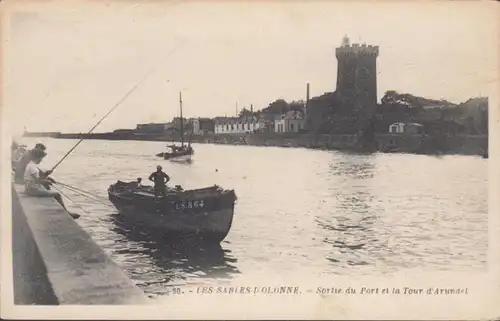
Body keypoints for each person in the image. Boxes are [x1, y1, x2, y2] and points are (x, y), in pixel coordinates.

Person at [24, 148, 80, 219]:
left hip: (30, 187)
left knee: (50, 190)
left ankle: (65, 211)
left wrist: (46, 174)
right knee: (57, 195)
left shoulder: (31, 165)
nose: (41, 160)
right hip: (33, 189)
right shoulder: (33, 167)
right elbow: (38, 180)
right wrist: (46, 181)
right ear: (37, 158)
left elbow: (36, 178)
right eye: (41, 158)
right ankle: (67, 213)